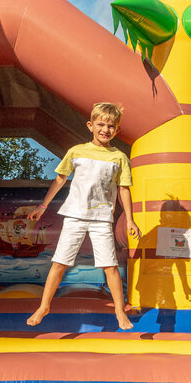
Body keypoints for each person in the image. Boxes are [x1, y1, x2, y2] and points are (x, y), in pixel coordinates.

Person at [26, 102, 140, 330]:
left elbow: (124, 189)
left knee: (110, 266)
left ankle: (119, 310)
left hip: (102, 217)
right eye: (101, 124)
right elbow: (60, 179)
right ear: (90, 125)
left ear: (117, 130)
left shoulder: (119, 157)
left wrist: (130, 219)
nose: (105, 130)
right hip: (75, 214)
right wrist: (42, 206)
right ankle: (44, 306)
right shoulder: (76, 151)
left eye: (111, 126)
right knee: (59, 263)